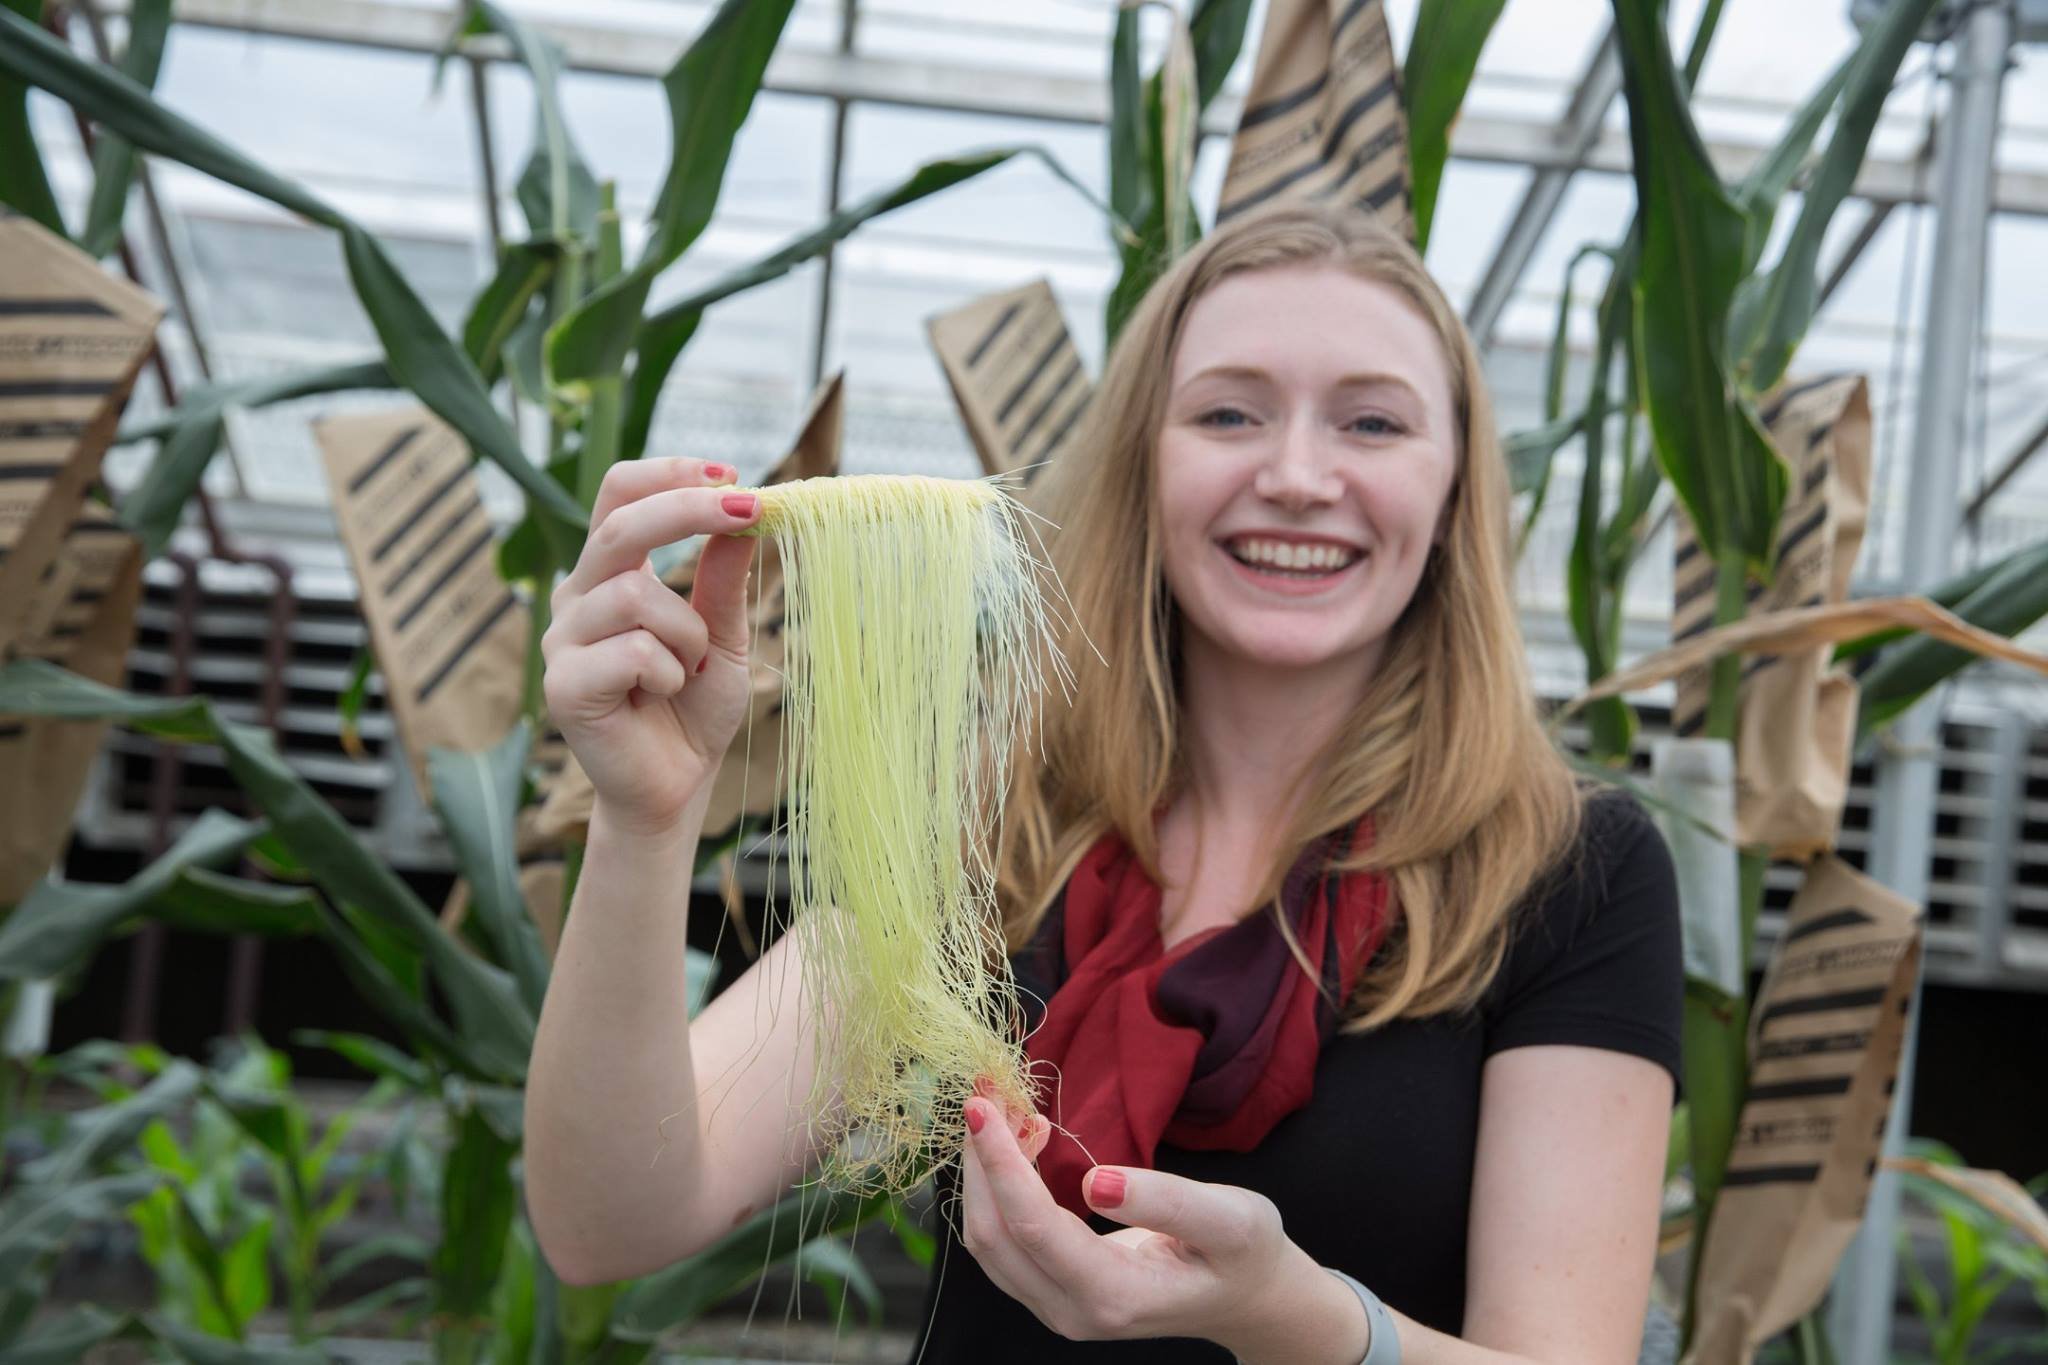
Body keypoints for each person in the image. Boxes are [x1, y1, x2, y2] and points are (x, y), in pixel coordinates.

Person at [525, 201, 1683, 1365]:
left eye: (1371, 423)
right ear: (1142, 464)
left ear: (1451, 494)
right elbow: (608, 1218)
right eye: (1227, 412)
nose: (1293, 475)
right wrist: (644, 820)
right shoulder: (983, 829)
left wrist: (1294, 1319)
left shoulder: (1571, 871)